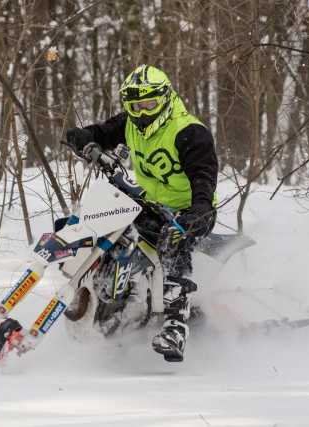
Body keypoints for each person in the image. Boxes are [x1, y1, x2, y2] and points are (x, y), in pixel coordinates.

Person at [65, 64, 218, 361]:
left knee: (173, 241)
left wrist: (195, 214)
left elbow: (204, 178)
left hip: (191, 211)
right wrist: (82, 138)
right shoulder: (131, 124)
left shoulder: (189, 132)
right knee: (100, 222)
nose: (142, 110)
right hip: (148, 204)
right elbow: (100, 132)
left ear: (165, 98)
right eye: (135, 104)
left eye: (148, 103)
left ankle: (175, 327)